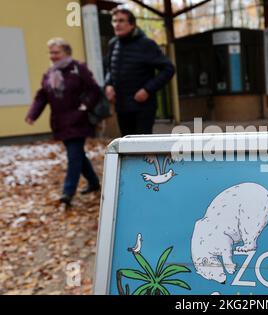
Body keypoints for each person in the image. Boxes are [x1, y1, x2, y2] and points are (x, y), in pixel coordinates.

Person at [25, 38, 101, 205]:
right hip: (60, 122)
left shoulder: (78, 68)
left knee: (73, 156)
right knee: (78, 155)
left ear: (66, 52)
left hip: (78, 120)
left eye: (56, 52)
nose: (53, 56)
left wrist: (84, 107)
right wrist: (32, 114)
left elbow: (94, 90)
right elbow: (42, 97)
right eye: (51, 52)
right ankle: (94, 182)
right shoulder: (49, 73)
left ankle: (68, 192)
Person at [104, 8, 175, 136]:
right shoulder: (113, 44)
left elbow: (168, 69)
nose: (116, 24)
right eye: (114, 21)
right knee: (127, 145)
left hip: (143, 107)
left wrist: (147, 90)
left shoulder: (146, 44)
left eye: (121, 21)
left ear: (132, 24)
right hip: (121, 106)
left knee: (142, 145)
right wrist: (108, 84)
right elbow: (109, 68)